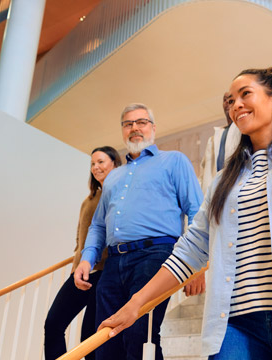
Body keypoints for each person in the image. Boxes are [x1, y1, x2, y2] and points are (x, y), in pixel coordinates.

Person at [98, 68, 272, 360]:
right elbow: (188, 251)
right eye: (230, 100)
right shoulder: (224, 181)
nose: (235, 105)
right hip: (235, 326)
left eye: (245, 94)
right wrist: (136, 305)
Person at [73, 103, 204, 360]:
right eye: (128, 124)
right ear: (123, 131)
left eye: (141, 122)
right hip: (113, 263)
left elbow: (197, 212)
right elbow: (98, 225)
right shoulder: (112, 177)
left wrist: (196, 266)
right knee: (105, 340)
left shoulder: (174, 161)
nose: (135, 128)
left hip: (156, 256)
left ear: (153, 128)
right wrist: (87, 259)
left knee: (140, 338)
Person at [44, 146, 122, 360]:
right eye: (93, 164)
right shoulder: (88, 201)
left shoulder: (120, 197)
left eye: (101, 162)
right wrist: (78, 261)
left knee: (90, 336)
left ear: (114, 163)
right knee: (53, 323)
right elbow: (81, 236)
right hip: (81, 273)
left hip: (105, 274)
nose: (96, 167)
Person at [198, 92, 241, 194]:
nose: (227, 102)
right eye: (224, 100)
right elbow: (203, 175)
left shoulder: (244, 131)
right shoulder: (212, 139)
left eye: (230, 100)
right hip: (213, 197)